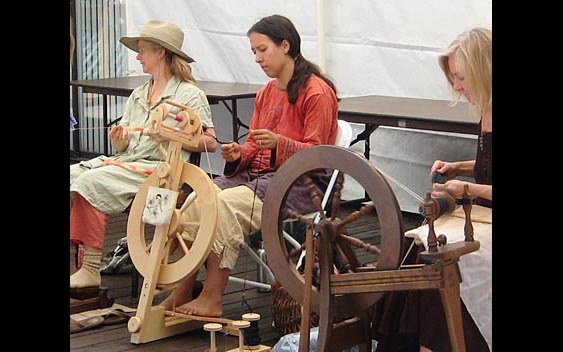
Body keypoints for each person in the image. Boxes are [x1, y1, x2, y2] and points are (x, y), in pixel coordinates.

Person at [159, 14, 339, 317]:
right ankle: (182, 291)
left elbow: (317, 156)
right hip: (259, 178)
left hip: (299, 185)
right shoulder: (268, 91)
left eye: (262, 50)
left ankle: (212, 298)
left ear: (285, 45)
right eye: (253, 51)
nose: (257, 58)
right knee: (195, 200)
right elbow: (255, 146)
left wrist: (279, 143)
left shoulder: (317, 92)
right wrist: (238, 153)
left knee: (224, 206)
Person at [70, 19, 217, 288]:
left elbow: (210, 142)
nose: (138, 56)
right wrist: (120, 140)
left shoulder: (190, 95)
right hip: (128, 165)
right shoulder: (139, 94)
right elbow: (127, 148)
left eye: (142, 50)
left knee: (90, 182)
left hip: (163, 174)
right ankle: (81, 262)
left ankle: (90, 269)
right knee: (72, 174)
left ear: (160, 52)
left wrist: (172, 135)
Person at [373, 27, 492, 352]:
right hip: (482, 219)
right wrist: (459, 167)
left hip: (487, 226)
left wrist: (466, 186)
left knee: (443, 263)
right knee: (420, 254)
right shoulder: (486, 110)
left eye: (461, 77)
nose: (456, 86)